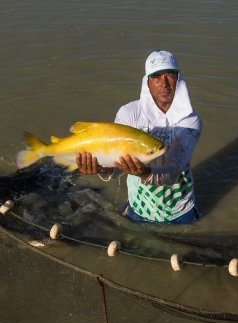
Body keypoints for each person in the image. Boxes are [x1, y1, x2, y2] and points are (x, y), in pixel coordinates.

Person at [77, 50, 202, 224]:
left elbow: (173, 171)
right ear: (147, 82)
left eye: (169, 75)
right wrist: (100, 169)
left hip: (180, 212)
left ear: (178, 79)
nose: (164, 83)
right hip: (139, 208)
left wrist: (143, 172)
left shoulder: (190, 119)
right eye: (156, 76)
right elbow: (115, 167)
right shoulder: (129, 113)